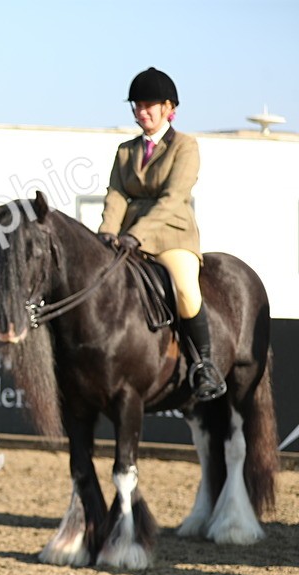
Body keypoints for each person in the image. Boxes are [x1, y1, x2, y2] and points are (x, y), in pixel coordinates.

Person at [98, 66, 226, 401]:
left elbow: (173, 199)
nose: (142, 111)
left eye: (148, 105)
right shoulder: (126, 149)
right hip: (127, 237)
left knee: (185, 288)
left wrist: (136, 234)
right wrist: (107, 232)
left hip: (171, 235)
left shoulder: (185, 146)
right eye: (137, 105)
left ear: (169, 108)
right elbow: (116, 193)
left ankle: (205, 365)